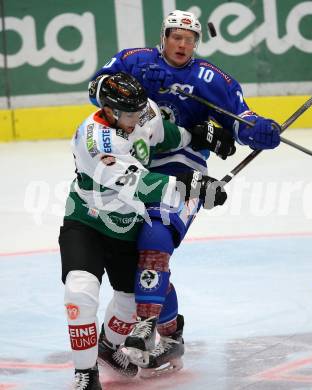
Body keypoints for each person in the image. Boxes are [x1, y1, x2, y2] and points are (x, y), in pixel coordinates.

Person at [88, 9, 281, 377]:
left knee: (156, 234)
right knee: (137, 259)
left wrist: (258, 130)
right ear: (164, 37)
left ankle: (144, 330)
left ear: (196, 44)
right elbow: (96, 91)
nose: (183, 44)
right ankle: (170, 333)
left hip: (183, 169)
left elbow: (242, 118)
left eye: (190, 39)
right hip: (132, 167)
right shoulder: (134, 60)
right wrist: (136, 81)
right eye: (176, 36)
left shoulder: (211, 78)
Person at [60, 72, 230, 389]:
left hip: (127, 226)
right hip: (87, 221)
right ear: (109, 111)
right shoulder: (96, 142)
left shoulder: (142, 110)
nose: (137, 118)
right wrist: (193, 184)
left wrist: (195, 136)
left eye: (140, 111)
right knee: (80, 291)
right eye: (129, 114)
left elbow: (161, 133)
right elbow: (141, 186)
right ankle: (85, 375)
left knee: (128, 303)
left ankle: (108, 349)